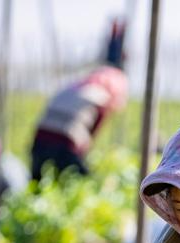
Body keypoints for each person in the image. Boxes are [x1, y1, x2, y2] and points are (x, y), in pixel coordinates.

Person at [29, 23, 128, 181]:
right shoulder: (101, 95)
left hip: (40, 139)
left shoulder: (80, 87)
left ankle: (117, 30)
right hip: (64, 144)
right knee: (82, 181)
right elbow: (91, 133)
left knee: (38, 182)